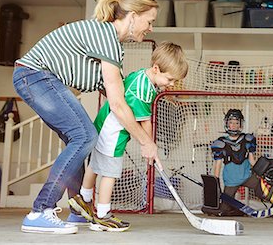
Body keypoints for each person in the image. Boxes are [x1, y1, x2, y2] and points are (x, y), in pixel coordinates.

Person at [14, 0, 161, 234]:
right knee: (85, 135)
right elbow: (117, 104)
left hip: (38, 79)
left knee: (80, 138)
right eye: (150, 21)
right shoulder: (108, 38)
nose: (150, 28)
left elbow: (121, 93)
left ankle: (78, 209)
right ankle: (40, 210)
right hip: (35, 76)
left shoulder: (110, 42)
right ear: (133, 16)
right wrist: (146, 142)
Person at [68, 41, 188, 232]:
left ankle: (84, 199)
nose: (171, 84)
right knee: (110, 172)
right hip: (113, 133)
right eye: (170, 79)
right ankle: (103, 215)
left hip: (102, 123)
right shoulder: (143, 90)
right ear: (156, 69)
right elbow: (145, 122)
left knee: (96, 165)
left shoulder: (142, 75)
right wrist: (149, 146)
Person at [208, 109, 264, 216]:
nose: (233, 125)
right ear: (227, 124)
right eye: (231, 122)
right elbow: (218, 165)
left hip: (248, 176)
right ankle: (237, 210)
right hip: (231, 180)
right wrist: (215, 183)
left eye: (236, 123)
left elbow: (252, 160)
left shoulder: (247, 139)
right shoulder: (220, 143)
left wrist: (263, 174)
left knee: (265, 191)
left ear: (240, 124)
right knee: (224, 209)